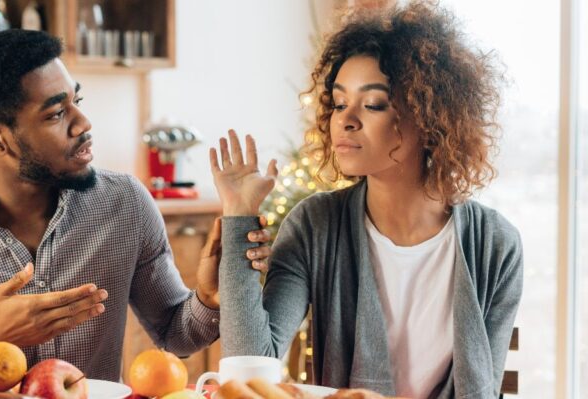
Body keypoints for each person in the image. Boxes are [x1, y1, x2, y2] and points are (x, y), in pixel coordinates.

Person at [0, 29, 272, 397]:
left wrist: (208, 299)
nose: (83, 123)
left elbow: (176, 335)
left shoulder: (125, 204)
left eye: (77, 101)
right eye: (56, 113)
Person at [210, 2, 522, 398]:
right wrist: (240, 214)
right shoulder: (314, 225)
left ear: (431, 118)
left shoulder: (496, 245)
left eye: (372, 104)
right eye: (340, 103)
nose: (345, 119)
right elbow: (248, 373)